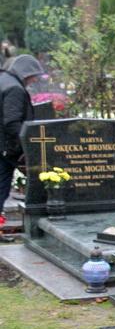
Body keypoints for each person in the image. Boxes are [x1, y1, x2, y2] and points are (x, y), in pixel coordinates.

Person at [0, 54, 44, 224]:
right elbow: (12, 122)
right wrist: (27, 146)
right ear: (25, 73)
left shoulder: (4, 80)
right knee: (2, 187)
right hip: (5, 148)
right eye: (33, 76)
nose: (34, 80)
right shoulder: (15, 89)